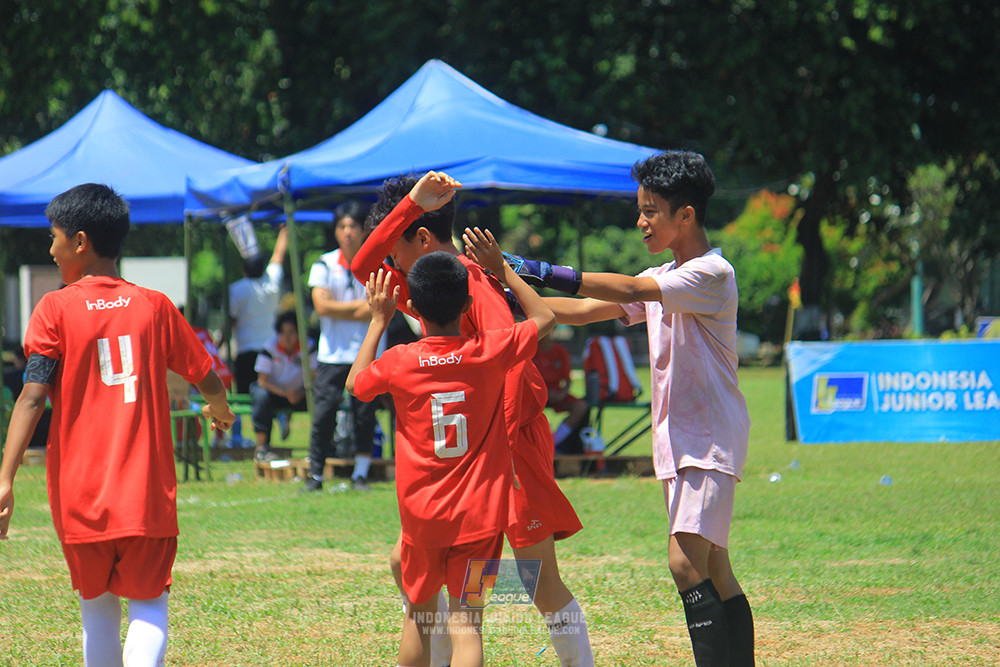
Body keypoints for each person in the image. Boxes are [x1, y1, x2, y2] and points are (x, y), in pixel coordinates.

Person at [506, 150, 755, 667]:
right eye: (640, 208)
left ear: (685, 215)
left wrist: (542, 269)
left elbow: (628, 288)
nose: (640, 221)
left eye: (651, 210)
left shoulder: (709, 273)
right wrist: (509, 284)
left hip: (706, 439)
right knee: (715, 570)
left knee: (685, 565)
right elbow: (582, 311)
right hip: (684, 439)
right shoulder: (667, 273)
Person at [353, 172, 594, 666]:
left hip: (506, 447)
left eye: (396, 250)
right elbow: (363, 264)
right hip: (475, 453)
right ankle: (440, 647)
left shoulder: (469, 279)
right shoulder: (429, 282)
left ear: (421, 239)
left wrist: (496, 455)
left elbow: (512, 365)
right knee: (416, 572)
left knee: (537, 581)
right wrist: (412, 204)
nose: (389, 264)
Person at [0, 183, 235, 666]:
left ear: (80, 242)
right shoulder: (155, 306)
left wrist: (5, 477)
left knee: (97, 612)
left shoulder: (54, 309)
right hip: (144, 493)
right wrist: (220, 407)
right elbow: (206, 377)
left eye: (54, 237)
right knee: (149, 606)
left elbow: (32, 396)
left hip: (80, 494)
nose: (50, 247)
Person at [304, 201, 381, 492]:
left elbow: (374, 310)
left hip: (366, 352)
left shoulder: (376, 263)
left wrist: (340, 308)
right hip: (332, 353)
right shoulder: (323, 263)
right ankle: (315, 475)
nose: (347, 232)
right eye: (342, 226)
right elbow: (320, 306)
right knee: (324, 413)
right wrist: (359, 308)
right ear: (336, 231)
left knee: (365, 415)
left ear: (363, 230)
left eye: (352, 226)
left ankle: (360, 475)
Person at [229, 225, 288, 394]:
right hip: (269, 348)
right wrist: (284, 231)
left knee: (243, 397)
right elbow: (278, 256)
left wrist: (219, 343)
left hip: (245, 349)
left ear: (244, 270)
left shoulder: (237, 289)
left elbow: (231, 320)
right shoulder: (272, 284)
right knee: (269, 393)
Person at [251, 310, 314, 461]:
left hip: (302, 392)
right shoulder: (268, 348)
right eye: (283, 332)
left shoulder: (309, 347)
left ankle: (324, 445)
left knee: (323, 395)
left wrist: (300, 392)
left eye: (292, 332)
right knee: (260, 395)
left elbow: (315, 376)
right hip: (274, 392)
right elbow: (262, 381)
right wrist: (286, 393)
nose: (287, 337)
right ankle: (261, 448)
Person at [534, 331, 590, 454]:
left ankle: (555, 441)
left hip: (556, 393)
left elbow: (567, 379)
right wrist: (545, 392)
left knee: (580, 406)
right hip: (535, 393)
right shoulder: (531, 350)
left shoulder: (560, 351)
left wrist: (562, 394)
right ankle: (535, 444)